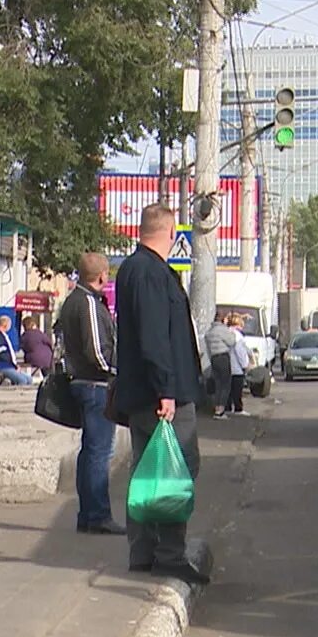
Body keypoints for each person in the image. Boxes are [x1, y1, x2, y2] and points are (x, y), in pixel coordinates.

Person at [113, 204, 209, 585]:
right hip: (161, 397)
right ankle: (169, 553)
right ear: (170, 232)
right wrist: (166, 389)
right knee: (176, 469)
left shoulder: (133, 269)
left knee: (147, 470)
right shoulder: (152, 273)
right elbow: (155, 338)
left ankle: (143, 550)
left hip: (142, 394)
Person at [57, 252, 122, 535]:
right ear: (101, 276)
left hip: (82, 382)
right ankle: (97, 515)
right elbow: (96, 349)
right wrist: (115, 370)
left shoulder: (73, 300)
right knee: (99, 452)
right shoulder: (88, 303)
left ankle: (88, 514)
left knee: (90, 451)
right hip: (95, 385)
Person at [202, 313, 235, 417]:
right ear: (223, 320)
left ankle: (216, 407)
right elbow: (232, 342)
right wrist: (232, 333)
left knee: (218, 383)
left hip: (214, 357)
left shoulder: (210, 332)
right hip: (223, 357)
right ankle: (221, 409)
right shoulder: (223, 330)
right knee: (225, 383)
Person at [0, 314, 32, 385]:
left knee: (29, 379)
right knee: (22, 380)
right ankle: (18, 394)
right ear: (5, 325)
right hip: (0, 366)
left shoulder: (2, 335)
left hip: (8, 365)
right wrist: (14, 365)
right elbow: (2, 355)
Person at [226, 314, 250, 415]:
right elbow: (240, 352)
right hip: (237, 367)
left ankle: (228, 408)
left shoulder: (226, 333)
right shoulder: (238, 336)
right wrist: (245, 365)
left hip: (227, 366)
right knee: (237, 390)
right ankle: (238, 409)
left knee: (228, 390)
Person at [19, 314, 55, 378]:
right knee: (48, 371)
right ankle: (48, 379)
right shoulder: (39, 333)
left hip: (32, 359)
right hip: (47, 359)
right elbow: (49, 342)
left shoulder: (24, 336)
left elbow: (23, 348)